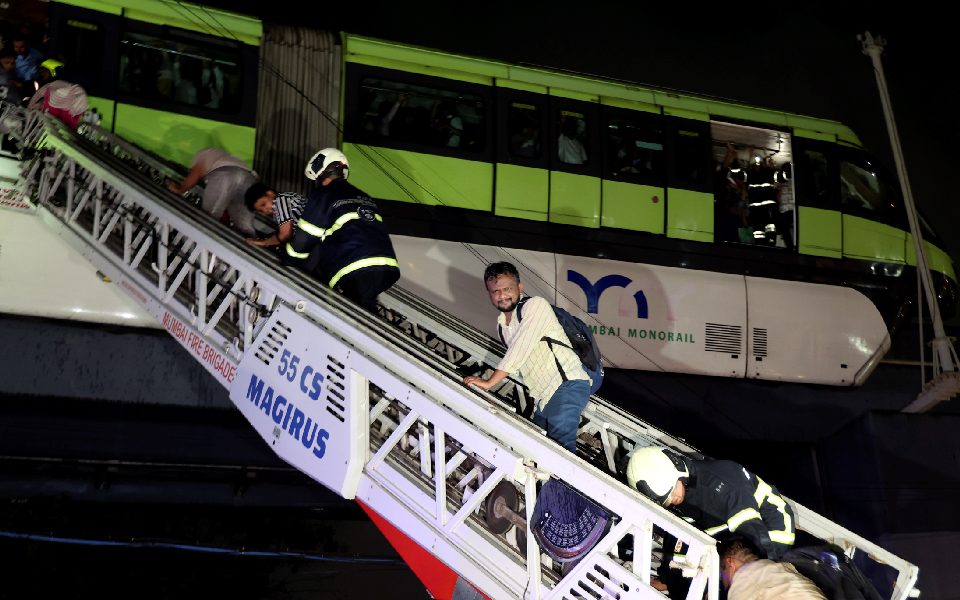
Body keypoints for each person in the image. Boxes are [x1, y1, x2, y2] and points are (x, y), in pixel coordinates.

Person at [462, 261, 593, 452]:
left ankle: (569, 483)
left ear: (520, 287)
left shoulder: (535, 306)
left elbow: (519, 350)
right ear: (489, 294)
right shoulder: (502, 326)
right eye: (495, 291)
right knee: (535, 452)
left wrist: (490, 382)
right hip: (544, 397)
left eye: (507, 288)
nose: (502, 295)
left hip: (567, 384)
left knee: (561, 453)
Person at [626, 447, 796, 560]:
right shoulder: (682, 489)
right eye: (666, 500)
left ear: (676, 466)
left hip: (773, 531)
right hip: (731, 534)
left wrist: (765, 570)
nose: (672, 500)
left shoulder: (722, 482)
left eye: (671, 493)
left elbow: (753, 533)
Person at [285, 147, 400, 311]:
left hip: (353, 265)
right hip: (386, 267)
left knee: (358, 316)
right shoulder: (365, 197)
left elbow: (305, 239)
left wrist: (288, 261)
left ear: (321, 173)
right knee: (365, 308)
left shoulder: (324, 194)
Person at [167, 148, 258, 236]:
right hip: (249, 180)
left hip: (226, 175)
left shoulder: (201, 155)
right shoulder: (223, 156)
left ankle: (206, 244)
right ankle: (247, 245)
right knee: (244, 226)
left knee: (208, 218)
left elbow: (195, 174)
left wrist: (180, 189)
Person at [721, 537, 827, 600]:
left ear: (730, 562)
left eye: (723, 573)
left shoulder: (745, 578)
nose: (725, 583)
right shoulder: (782, 568)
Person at [242, 182, 306, 248]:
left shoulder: (281, 201)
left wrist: (263, 243)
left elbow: (285, 235)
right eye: (261, 210)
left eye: (263, 204)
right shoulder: (287, 198)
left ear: (270, 193)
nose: (265, 210)